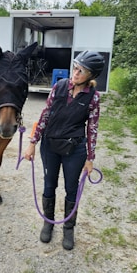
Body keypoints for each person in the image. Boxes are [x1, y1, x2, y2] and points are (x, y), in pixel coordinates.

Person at [24, 51, 105, 250]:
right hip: (50, 146)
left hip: (74, 149)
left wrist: (90, 158)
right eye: (75, 67)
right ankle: (48, 223)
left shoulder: (93, 98)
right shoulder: (58, 87)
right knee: (49, 185)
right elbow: (45, 115)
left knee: (71, 188)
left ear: (91, 76)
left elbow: (92, 128)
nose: (75, 73)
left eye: (82, 71)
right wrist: (33, 142)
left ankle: (69, 227)